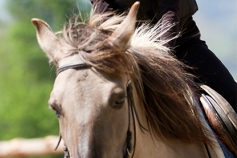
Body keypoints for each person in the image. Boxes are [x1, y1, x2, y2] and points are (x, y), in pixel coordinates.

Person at [89, 0, 237, 112]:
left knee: (232, 97)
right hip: (130, 54)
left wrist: (157, 63)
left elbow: (170, 14)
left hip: (182, 45)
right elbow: (105, 24)